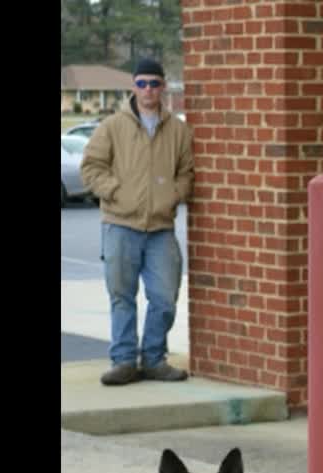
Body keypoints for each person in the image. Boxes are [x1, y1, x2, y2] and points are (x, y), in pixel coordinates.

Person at [81, 58, 194, 386]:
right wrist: (114, 191)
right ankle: (125, 361)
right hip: (120, 224)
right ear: (133, 87)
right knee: (122, 296)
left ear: (163, 88)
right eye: (142, 83)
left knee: (164, 296)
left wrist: (174, 194)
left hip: (160, 228)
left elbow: (187, 172)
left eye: (154, 84)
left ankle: (155, 359)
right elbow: (92, 167)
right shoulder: (113, 126)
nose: (148, 90)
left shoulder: (178, 130)